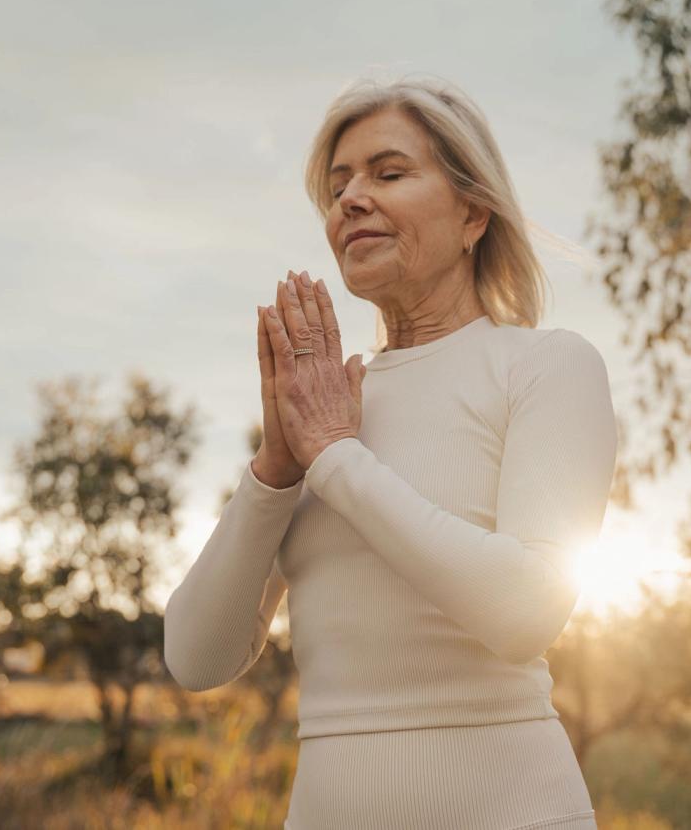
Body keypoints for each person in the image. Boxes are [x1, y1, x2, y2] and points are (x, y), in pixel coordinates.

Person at [164, 74, 618, 829]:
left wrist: (337, 460)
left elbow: (526, 610)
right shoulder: (325, 411)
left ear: (474, 211)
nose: (350, 200)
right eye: (338, 186)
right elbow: (195, 657)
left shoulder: (545, 367)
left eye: (389, 172)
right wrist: (275, 470)